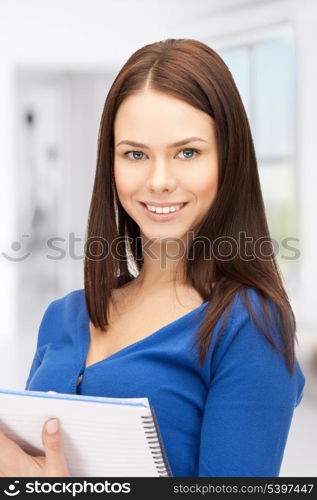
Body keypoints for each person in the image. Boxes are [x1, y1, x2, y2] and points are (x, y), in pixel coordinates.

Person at [0, 38, 306, 477]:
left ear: (229, 161)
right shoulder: (63, 316)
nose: (159, 180)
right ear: (112, 163)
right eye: (136, 154)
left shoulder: (248, 325)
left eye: (187, 152)